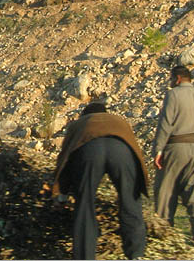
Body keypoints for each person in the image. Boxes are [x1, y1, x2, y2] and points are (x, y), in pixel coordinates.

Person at [52, 102, 148, 260]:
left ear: (85, 115)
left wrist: (61, 196)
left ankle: (85, 257)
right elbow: (135, 149)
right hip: (121, 151)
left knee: (84, 204)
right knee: (130, 201)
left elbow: (65, 160)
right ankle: (136, 254)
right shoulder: (119, 120)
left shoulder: (79, 125)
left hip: (89, 151)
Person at [153, 65, 194, 245]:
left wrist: (158, 150)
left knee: (165, 191)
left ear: (178, 78)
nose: (170, 82)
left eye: (171, 79)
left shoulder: (173, 95)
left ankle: (163, 235)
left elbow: (166, 123)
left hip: (176, 146)